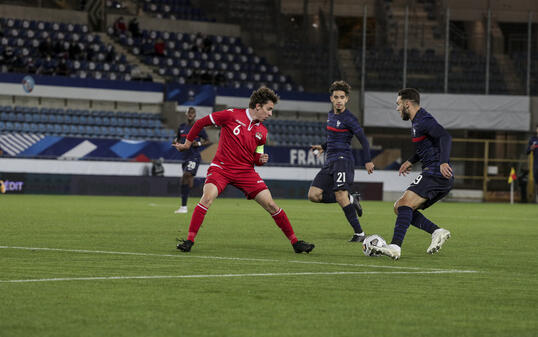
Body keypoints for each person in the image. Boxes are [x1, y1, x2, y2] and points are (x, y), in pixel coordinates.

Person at [172, 87, 315, 254]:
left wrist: (260, 160)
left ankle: (295, 243)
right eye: (269, 109)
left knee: (271, 204)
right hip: (222, 168)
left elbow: (257, 157)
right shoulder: (231, 114)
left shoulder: (262, 131)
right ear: (258, 106)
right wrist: (187, 144)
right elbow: (200, 123)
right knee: (207, 198)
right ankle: (189, 241)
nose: (270, 114)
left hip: (246, 172)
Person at [372, 88, 453, 260]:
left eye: (398, 104)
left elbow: (445, 136)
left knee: (404, 204)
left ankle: (395, 247)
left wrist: (443, 161)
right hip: (435, 174)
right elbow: (425, 147)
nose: (397, 108)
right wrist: (410, 161)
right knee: (400, 207)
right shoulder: (417, 122)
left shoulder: (424, 120)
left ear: (407, 104)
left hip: (435, 172)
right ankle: (437, 231)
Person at [308, 80, 374, 243]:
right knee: (314, 195)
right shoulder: (331, 115)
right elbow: (334, 137)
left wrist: (367, 161)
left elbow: (364, 141)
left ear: (347, 99)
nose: (339, 100)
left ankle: (359, 233)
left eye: (342, 97)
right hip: (330, 160)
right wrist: (323, 146)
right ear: (331, 99)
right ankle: (352, 199)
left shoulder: (350, 119)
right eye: (336, 97)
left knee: (340, 196)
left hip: (343, 160)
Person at [174, 107, 210, 214]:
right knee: (189, 182)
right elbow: (177, 139)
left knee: (185, 176)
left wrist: (198, 143)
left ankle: (183, 207)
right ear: (186, 114)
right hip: (185, 157)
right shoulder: (181, 127)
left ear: (195, 115)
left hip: (194, 156)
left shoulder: (199, 127)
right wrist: (177, 145)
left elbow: (207, 141)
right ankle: (201, 184)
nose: (190, 114)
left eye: (192, 113)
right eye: (189, 112)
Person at [526, 124, 538, 202]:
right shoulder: (532, 139)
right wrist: (531, 148)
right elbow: (527, 152)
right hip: (536, 164)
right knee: (536, 180)